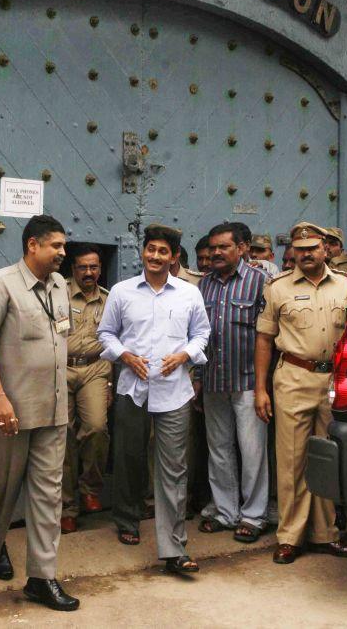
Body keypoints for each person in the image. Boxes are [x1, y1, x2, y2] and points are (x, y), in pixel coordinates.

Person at [0, 214, 79, 612]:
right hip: (10, 411)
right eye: (56, 246)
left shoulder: (60, 286)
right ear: (32, 245)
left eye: (63, 247)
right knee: (1, 487)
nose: (62, 254)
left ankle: (42, 576)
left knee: (49, 494)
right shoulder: (1, 284)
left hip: (53, 409)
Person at [98, 224, 209, 574]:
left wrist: (186, 355)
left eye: (163, 251)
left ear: (174, 257)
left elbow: (202, 332)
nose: (155, 256)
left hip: (174, 391)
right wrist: (125, 356)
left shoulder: (189, 294)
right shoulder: (122, 291)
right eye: (151, 250)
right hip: (134, 387)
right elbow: (106, 333)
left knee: (174, 468)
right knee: (129, 457)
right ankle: (128, 519)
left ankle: (174, 549)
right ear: (143, 252)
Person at [255, 222, 347, 564]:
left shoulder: (346, 285)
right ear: (293, 253)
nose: (307, 254)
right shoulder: (278, 287)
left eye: (313, 247)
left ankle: (327, 533)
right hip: (294, 377)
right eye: (300, 249)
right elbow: (264, 339)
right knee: (292, 460)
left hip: (334, 382)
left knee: (331, 458)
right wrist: (260, 388)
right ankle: (290, 536)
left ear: (326, 248)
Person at [195, 223, 268, 542]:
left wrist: (266, 386)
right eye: (213, 248)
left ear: (243, 249)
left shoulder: (261, 283)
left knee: (252, 451)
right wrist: (198, 378)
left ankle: (254, 516)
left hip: (249, 381)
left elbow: (269, 337)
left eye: (223, 247)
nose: (216, 253)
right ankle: (226, 512)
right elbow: (196, 336)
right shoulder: (203, 286)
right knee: (219, 450)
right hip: (213, 380)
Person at [61, 243, 112, 534]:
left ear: (100, 269)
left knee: (96, 426)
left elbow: (118, 340)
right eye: (83, 267)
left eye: (94, 267)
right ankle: (67, 507)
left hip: (95, 368)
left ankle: (89, 488)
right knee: (63, 436)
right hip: (62, 368)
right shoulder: (58, 292)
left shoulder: (108, 300)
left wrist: (110, 381)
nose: (89, 272)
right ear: (74, 269)